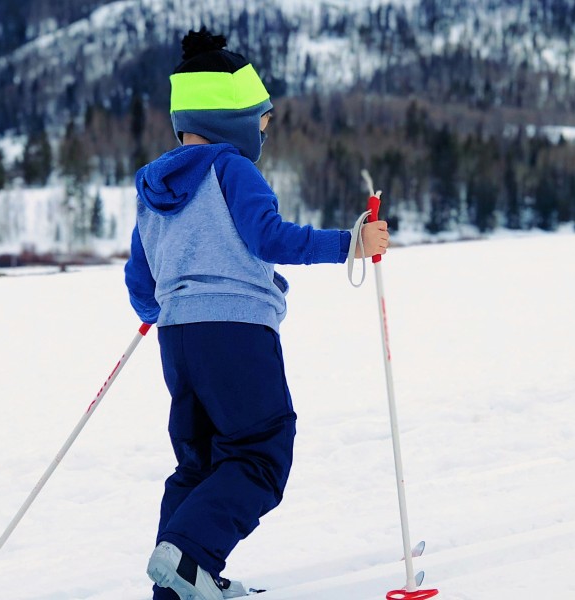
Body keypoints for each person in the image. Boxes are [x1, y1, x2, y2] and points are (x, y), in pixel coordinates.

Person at [123, 27, 389, 600]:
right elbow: (270, 238)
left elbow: (139, 277)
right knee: (260, 450)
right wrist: (349, 244)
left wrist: (161, 309)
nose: (264, 129)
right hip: (236, 330)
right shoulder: (231, 169)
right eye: (261, 118)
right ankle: (190, 559)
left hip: (177, 337)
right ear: (231, 115)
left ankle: (180, 586)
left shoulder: (153, 185)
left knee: (199, 462)